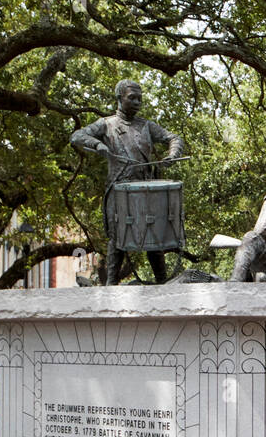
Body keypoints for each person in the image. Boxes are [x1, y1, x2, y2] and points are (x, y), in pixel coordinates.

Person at [70, 79, 184, 284]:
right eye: (132, 97)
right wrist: (97, 144)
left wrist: (172, 154)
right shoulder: (106, 124)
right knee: (117, 239)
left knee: (155, 239)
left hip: (147, 190)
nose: (137, 102)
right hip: (119, 190)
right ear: (119, 98)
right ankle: (111, 286)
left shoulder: (147, 126)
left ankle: (163, 285)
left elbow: (174, 138)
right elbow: (77, 136)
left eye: (140, 98)